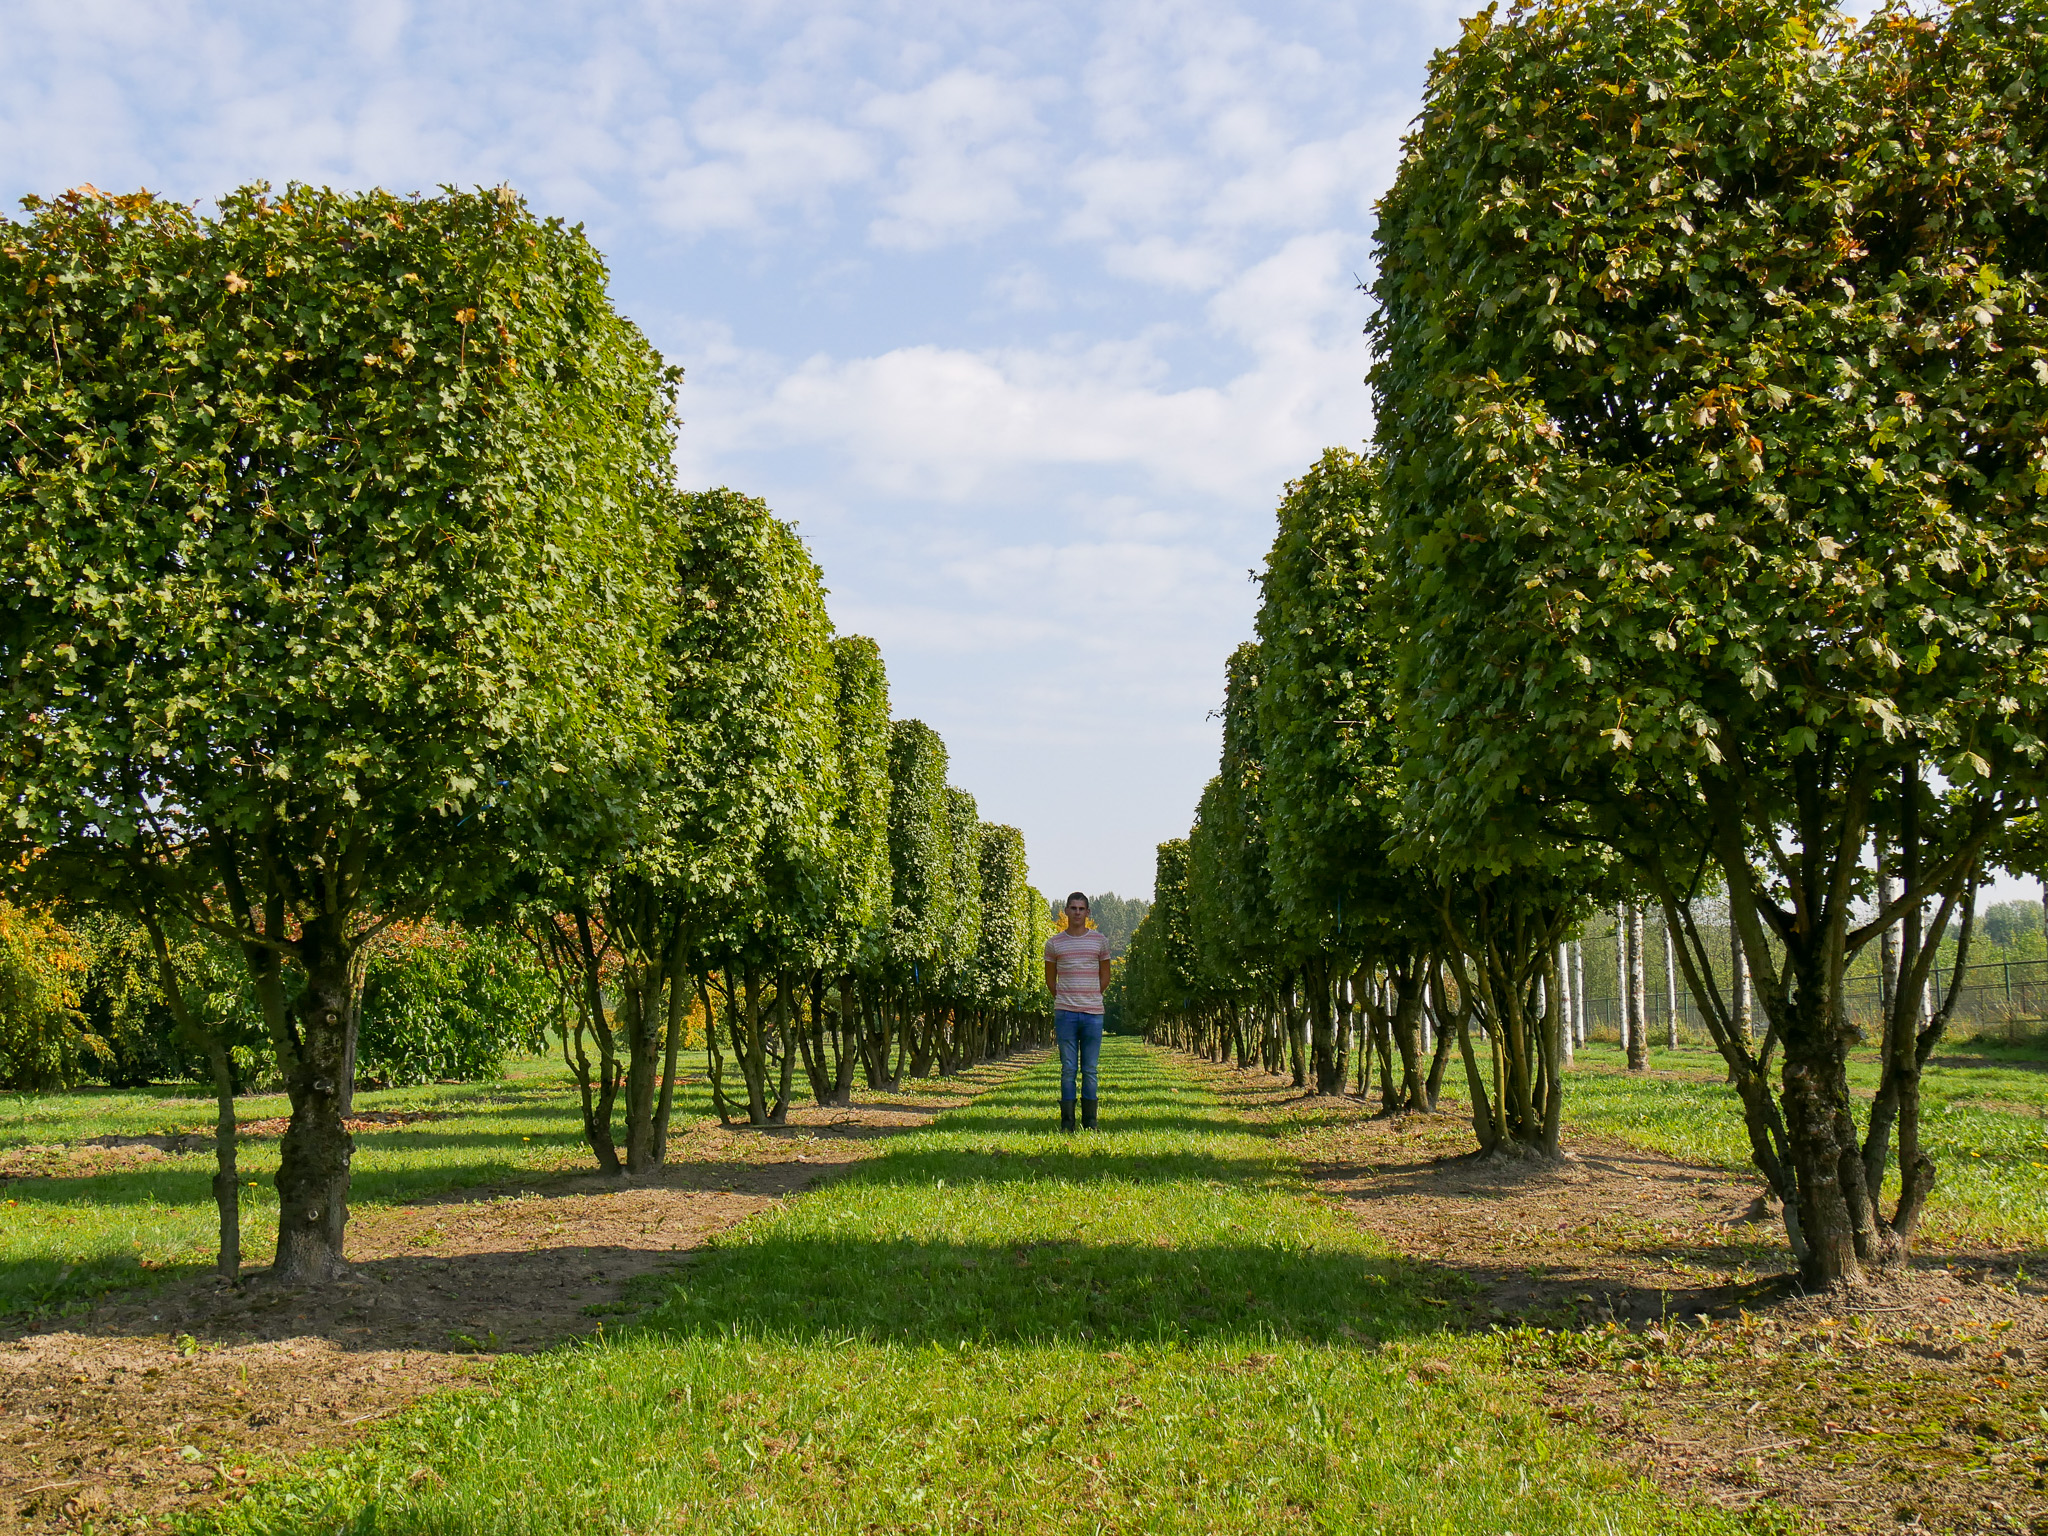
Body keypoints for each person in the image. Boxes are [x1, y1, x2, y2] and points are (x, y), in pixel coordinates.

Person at [1043, 891, 1112, 1132]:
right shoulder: (1054, 943)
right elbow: (1050, 980)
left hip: (1093, 1013)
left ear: (1088, 912)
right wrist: (1065, 997)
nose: (1077, 913)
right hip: (1066, 1014)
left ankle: (1090, 1122)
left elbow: (1106, 976)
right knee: (1068, 1068)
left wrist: (1091, 993)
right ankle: (1067, 1123)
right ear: (1066, 911)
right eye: (1073, 908)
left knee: (1090, 1069)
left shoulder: (1099, 941)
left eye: (1081, 909)